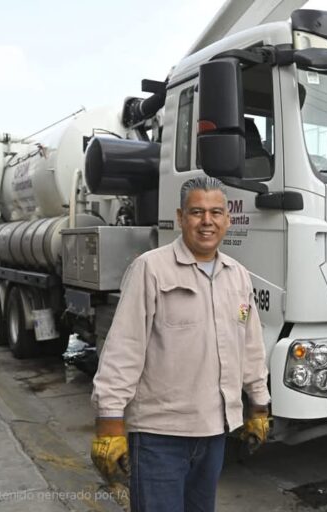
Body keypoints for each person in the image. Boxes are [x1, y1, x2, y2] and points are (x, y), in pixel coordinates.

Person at [90, 176, 271, 512]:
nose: (207, 221)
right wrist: (109, 423)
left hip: (215, 431)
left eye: (216, 212)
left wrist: (258, 404)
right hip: (160, 437)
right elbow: (124, 349)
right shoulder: (151, 269)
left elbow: (249, 346)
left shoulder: (238, 276)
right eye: (196, 212)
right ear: (180, 217)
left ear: (227, 218)